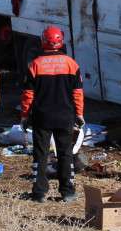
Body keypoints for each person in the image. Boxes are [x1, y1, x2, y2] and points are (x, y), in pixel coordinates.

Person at [20, 26, 85, 202]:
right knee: (65, 153)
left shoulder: (35, 64)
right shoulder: (71, 64)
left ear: (43, 42)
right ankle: (68, 192)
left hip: (42, 117)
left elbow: (28, 94)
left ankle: (39, 192)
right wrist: (79, 114)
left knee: (41, 154)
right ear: (61, 42)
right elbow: (77, 93)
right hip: (65, 116)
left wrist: (25, 115)